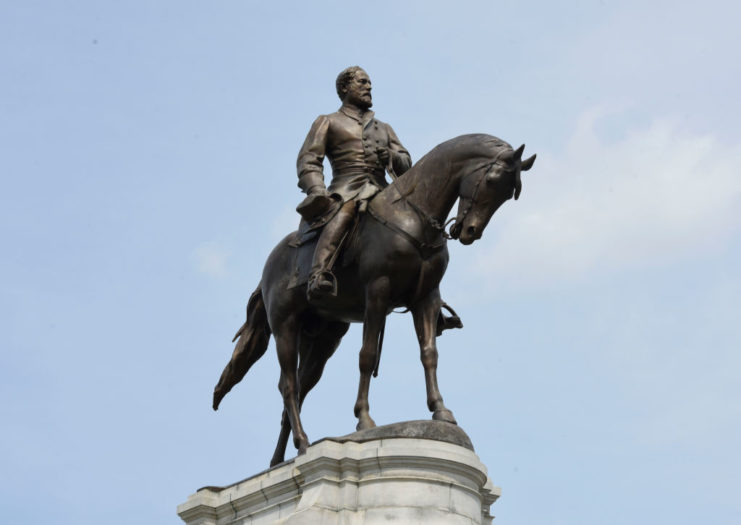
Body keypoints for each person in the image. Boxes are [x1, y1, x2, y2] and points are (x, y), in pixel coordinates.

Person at [296, 66, 411, 298]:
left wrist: (390, 157)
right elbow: (309, 159)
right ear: (345, 88)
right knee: (344, 214)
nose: (369, 87)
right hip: (347, 190)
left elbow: (406, 163)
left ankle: (429, 292)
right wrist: (317, 189)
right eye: (362, 82)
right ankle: (319, 273)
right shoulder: (328, 121)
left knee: (417, 223)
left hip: (383, 191)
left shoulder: (384, 128)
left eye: (369, 83)